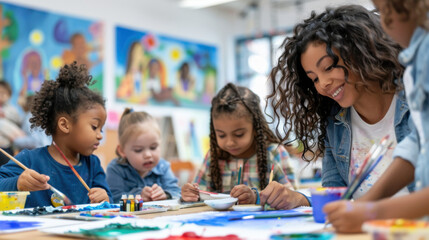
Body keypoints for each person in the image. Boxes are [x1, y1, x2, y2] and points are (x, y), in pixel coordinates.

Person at [262, 5, 413, 209]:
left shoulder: (414, 98)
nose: (323, 83)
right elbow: (335, 194)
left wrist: (365, 209)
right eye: (313, 78)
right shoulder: (336, 121)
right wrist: (300, 199)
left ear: (360, 51)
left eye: (329, 67)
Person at [324, 0, 429, 233]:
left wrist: (373, 212)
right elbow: (418, 143)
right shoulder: (416, 62)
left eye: (385, 12)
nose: (383, 22)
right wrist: (367, 202)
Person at [0, 62, 112, 208]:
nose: (100, 136)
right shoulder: (30, 160)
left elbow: (109, 201)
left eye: (101, 130)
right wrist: (18, 182)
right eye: (94, 127)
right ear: (65, 125)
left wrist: (105, 198)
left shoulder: (93, 164)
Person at [181, 83, 294, 205]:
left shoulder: (273, 152)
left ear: (255, 128)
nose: (229, 143)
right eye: (221, 135)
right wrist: (190, 195)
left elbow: (291, 197)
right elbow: (201, 194)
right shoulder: (214, 156)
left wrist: (256, 197)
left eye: (239, 134)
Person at [106, 108, 180, 203]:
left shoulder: (163, 166)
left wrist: (166, 195)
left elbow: (177, 192)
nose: (148, 155)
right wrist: (137, 197)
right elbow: (113, 198)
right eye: (138, 150)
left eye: (153, 147)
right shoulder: (115, 169)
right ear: (122, 151)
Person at [0, 80, 24, 166]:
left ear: (9, 95)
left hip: (6, 146)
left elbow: (18, 122)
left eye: (3, 93)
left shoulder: (12, 109)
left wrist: (5, 115)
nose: (1, 96)